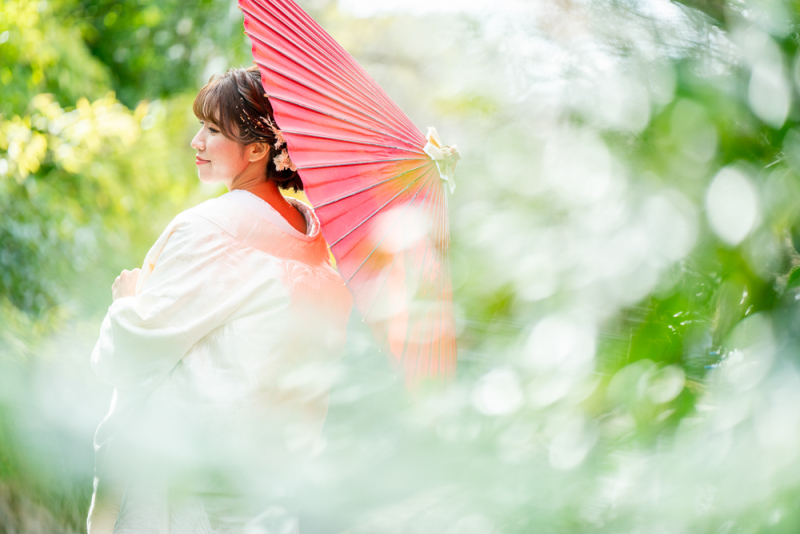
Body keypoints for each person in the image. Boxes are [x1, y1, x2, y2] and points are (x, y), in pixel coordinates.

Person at [87, 66, 353, 534]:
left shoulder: (211, 230)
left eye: (212, 130)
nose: (197, 141)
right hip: (268, 484)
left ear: (257, 149)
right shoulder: (317, 246)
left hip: (190, 476)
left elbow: (130, 355)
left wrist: (126, 304)